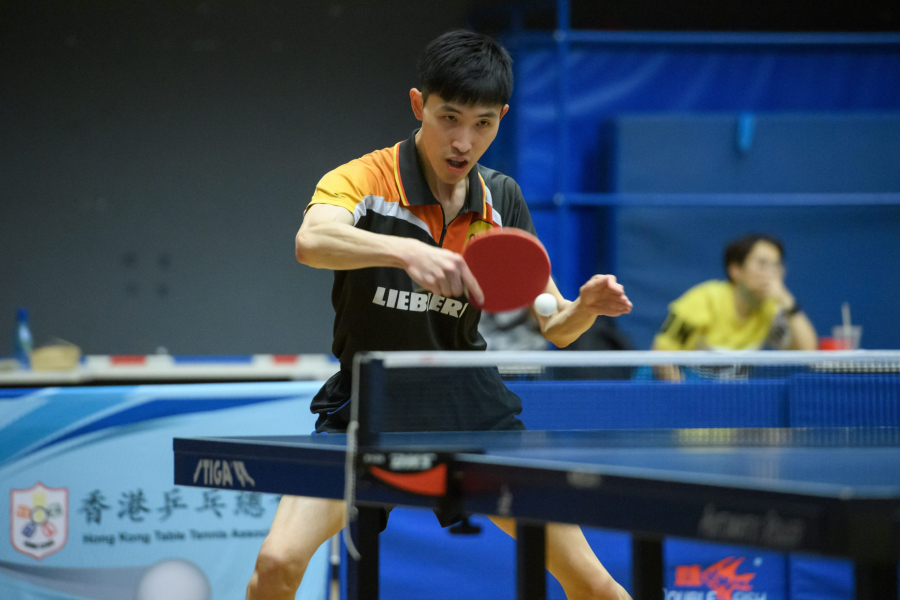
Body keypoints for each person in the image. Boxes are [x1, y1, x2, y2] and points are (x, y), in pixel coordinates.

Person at [246, 30, 633, 600]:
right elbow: (312, 241)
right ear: (418, 105)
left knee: (594, 585)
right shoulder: (363, 180)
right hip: (367, 406)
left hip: (470, 411)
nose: (463, 141)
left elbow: (555, 326)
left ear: (502, 119)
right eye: (449, 117)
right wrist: (405, 251)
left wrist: (585, 308)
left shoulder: (501, 200)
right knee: (276, 563)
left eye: (483, 124)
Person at [652, 234, 817, 377]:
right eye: (762, 264)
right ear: (735, 270)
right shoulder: (703, 301)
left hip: (729, 397)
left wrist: (787, 300)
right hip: (683, 390)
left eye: (776, 266)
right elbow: (661, 355)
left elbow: (808, 353)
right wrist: (683, 395)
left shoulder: (769, 311)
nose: (771, 274)